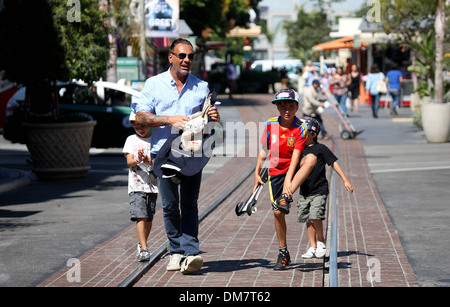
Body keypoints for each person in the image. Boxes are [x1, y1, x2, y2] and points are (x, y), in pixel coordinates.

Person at [132, 38, 220, 274]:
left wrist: (213, 114)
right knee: (171, 206)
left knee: (189, 204)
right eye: (181, 56)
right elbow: (140, 117)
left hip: (192, 152)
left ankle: (191, 253)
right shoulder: (154, 84)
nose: (186, 60)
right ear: (170, 57)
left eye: (190, 56)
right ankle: (176, 252)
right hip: (163, 153)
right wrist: (169, 119)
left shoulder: (201, 87)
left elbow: (210, 120)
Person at [253, 89, 308, 270]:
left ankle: (287, 197)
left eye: (291, 106)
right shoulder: (270, 125)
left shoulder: (301, 128)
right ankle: (283, 252)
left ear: (297, 107)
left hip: (293, 169)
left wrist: (288, 181)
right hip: (275, 170)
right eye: (282, 105)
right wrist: (256, 172)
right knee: (278, 213)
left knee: (282, 204)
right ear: (277, 106)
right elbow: (264, 150)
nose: (286, 109)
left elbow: (296, 156)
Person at [284, 117, 353, 259]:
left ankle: (321, 242)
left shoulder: (321, 148)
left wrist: (345, 180)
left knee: (316, 215)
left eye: (305, 132)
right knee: (308, 219)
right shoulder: (299, 150)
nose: (301, 135)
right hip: (305, 191)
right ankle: (312, 246)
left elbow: (334, 164)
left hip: (319, 190)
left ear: (314, 134)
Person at [123, 112, 159, 262]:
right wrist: (139, 159)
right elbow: (129, 161)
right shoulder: (131, 139)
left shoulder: (155, 139)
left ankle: (142, 243)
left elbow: (158, 163)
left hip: (152, 186)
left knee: (149, 217)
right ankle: (144, 248)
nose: (139, 129)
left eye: (142, 126)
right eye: (135, 126)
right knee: (141, 216)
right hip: (136, 186)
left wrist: (149, 161)